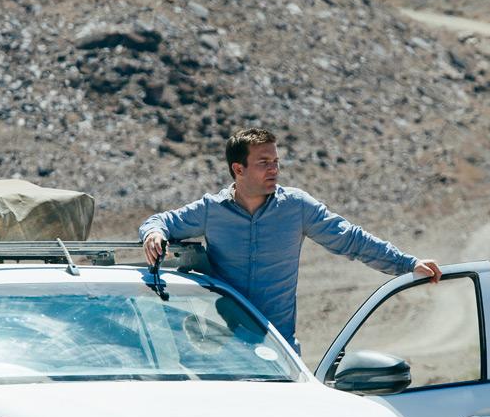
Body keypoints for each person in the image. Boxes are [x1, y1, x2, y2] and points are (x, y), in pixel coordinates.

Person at [140, 127, 442, 351]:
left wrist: (408, 264)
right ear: (238, 169)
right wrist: (155, 233)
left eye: (275, 161)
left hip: (278, 350)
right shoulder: (211, 210)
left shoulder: (297, 207)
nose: (274, 169)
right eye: (263, 163)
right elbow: (159, 221)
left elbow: (352, 240)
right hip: (222, 352)